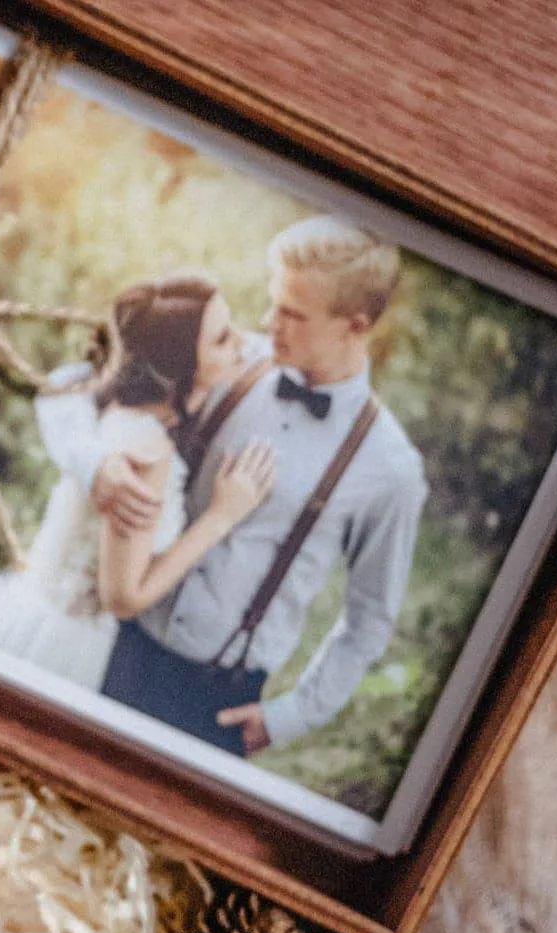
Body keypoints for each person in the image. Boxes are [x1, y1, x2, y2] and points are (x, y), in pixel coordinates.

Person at [62, 216, 428, 758]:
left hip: (215, 703)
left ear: (356, 323)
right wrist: (97, 463)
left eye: (291, 314)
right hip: (118, 646)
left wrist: (291, 716)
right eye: (273, 302)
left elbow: (370, 620)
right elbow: (75, 389)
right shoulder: (226, 358)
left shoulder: (390, 468)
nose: (265, 322)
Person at [0, 273, 277, 690]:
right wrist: (221, 516)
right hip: (56, 646)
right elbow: (123, 597)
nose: (242, 345)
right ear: (180, 369)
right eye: (223, 339)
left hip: (27, 616)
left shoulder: (113, 405)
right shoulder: (144, 451)